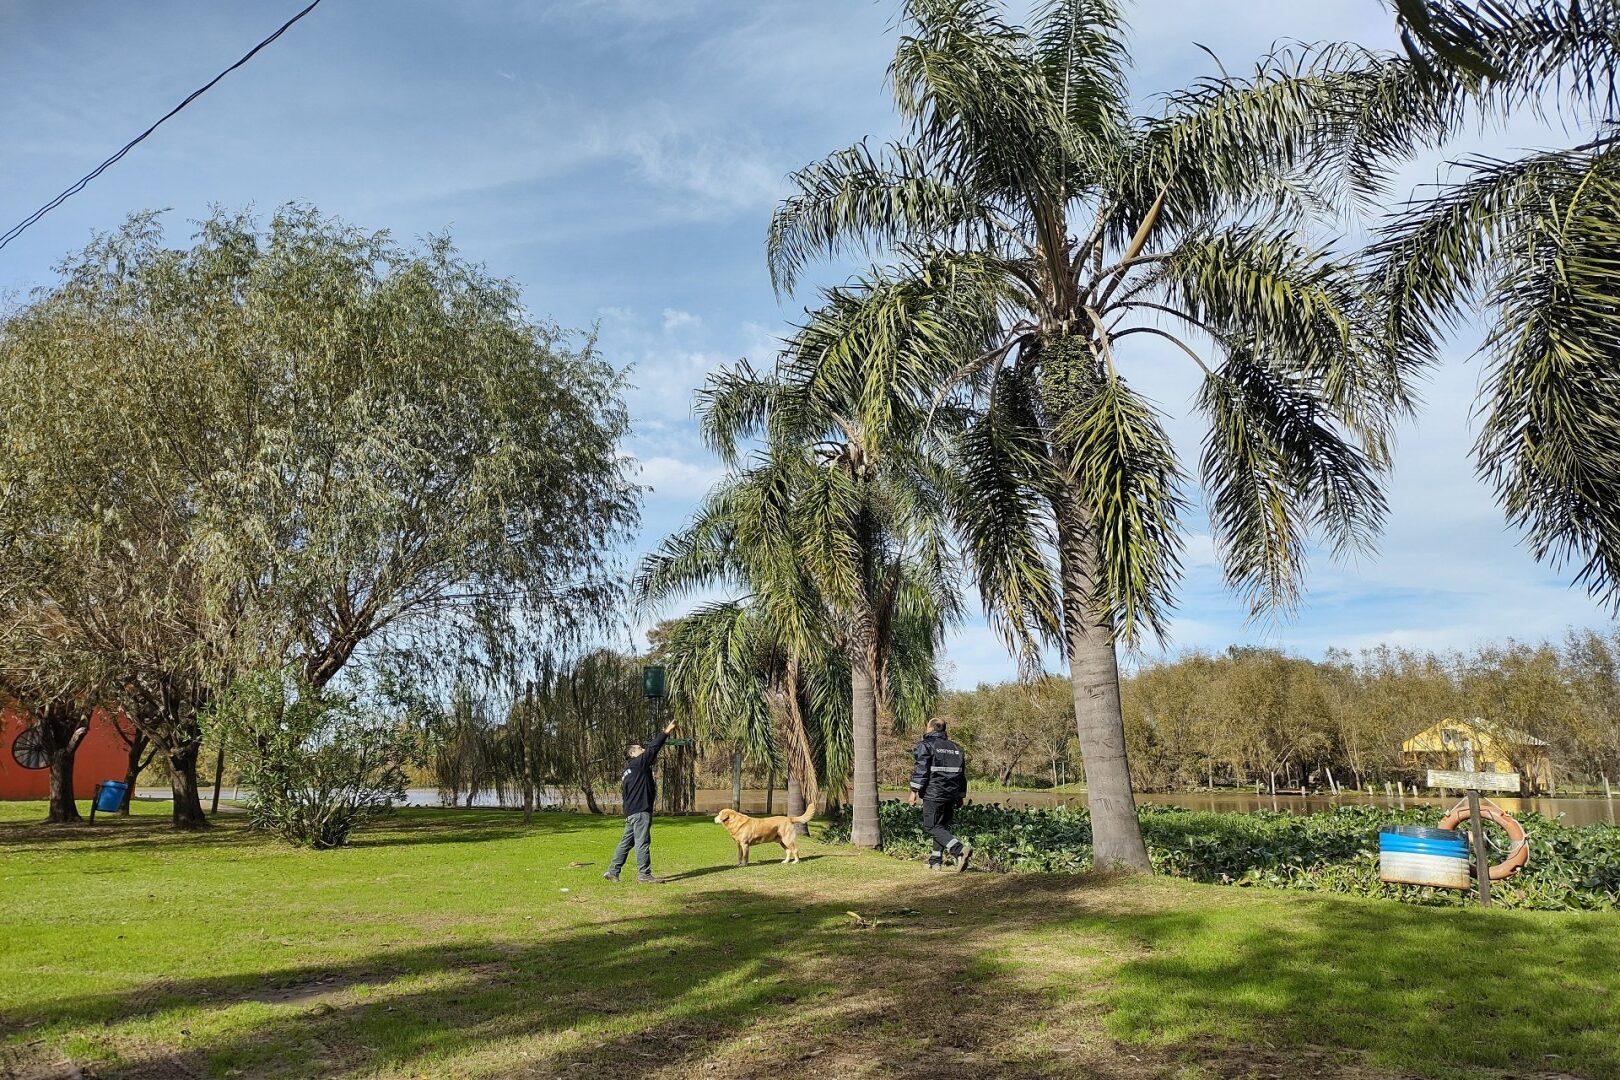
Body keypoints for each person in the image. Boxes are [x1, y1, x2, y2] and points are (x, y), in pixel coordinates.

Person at [603, 716, 678, 884]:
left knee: (626, 842)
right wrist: (666, 731)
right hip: (640, 811)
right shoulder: (638, 763)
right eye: (639, 749)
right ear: (632, 754)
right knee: (642, 842)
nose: (643, 749)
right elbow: (654, 748)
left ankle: (613, 871)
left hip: (631, 813)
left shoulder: (628, 771)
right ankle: (644, 875)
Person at [908, 717, 971, 871]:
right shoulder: (957, 748)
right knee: (940, 826)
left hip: (933, 793)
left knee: (931, 826)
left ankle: (959, 850)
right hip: (951, 795)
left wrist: (914, 791)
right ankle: (935, 861)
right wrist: (961, 795)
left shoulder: (925, 746)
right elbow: (962, 776)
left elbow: (921, 770)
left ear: (931, 728)